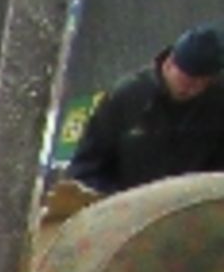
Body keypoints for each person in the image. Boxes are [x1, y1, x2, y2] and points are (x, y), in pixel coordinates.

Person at [64, 25, 224, 194]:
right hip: (126, 205)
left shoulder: (216, 104)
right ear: (169, 64)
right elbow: (86, 165)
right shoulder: (128, 97)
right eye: (185, 81)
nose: (190, 89)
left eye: (200, 84)